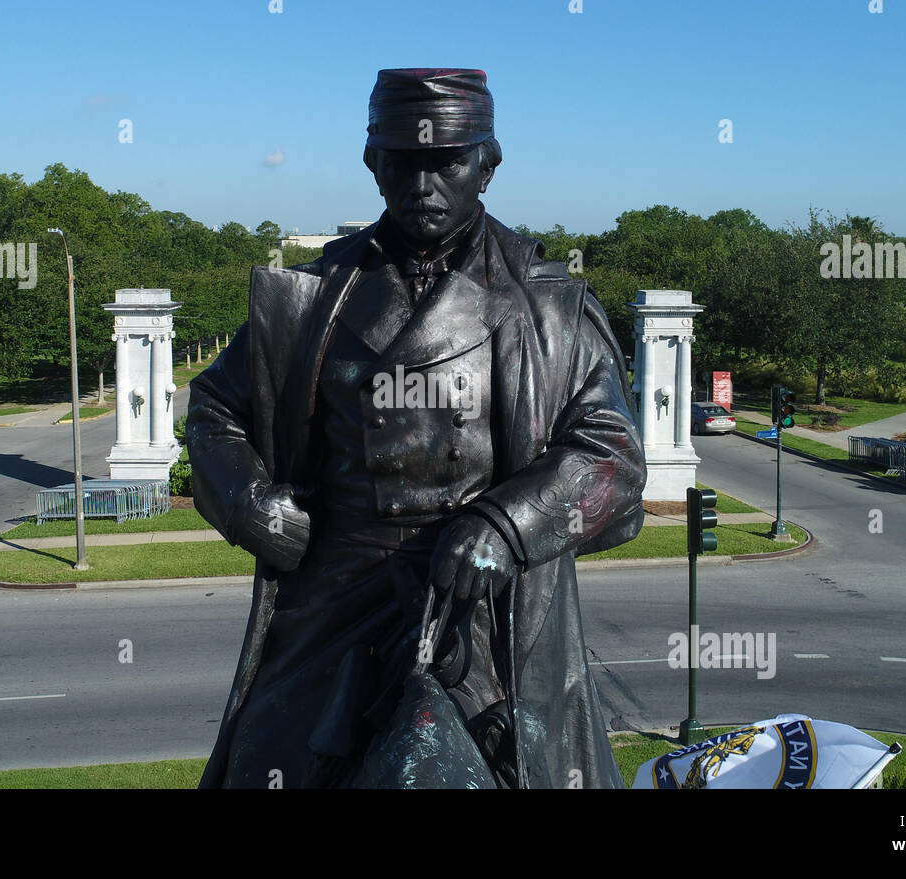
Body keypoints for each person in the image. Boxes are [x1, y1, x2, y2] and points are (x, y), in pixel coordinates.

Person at [186, 68, 646, 788]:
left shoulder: (551, 307)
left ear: (488, 165)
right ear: (373, 162)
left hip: (483, 609)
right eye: (404, 162)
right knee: (267, 762)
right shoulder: (311, 300)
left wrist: (507, 523)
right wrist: (248, 500)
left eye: (447, 162)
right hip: (334, 599)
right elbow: (214, 409)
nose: (424, 184)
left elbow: (612, 458)